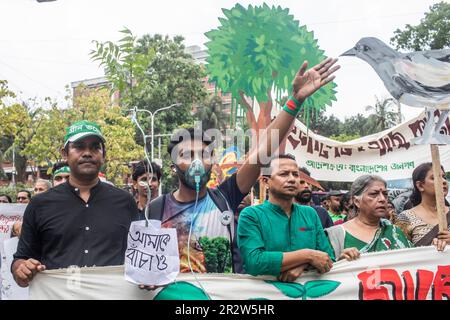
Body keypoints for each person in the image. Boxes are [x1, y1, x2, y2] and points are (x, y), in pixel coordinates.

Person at [146, 56, 340, 277]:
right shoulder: (155, 209)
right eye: (187, 155)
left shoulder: (224, 197)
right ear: (173, 167)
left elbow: (262, 153)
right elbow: (146, 264)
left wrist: (294, 101)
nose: (197, 161)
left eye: (204, 154)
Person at [12, 120, 140, 287]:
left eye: (95, 147)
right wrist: (21, 269)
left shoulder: (125, 202)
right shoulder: (39, 204)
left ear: (104, 155)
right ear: (65, 154)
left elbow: (139, 256)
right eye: (79, 147)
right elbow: (20, 259)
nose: (87, 153)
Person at [238, 154, 334, 282]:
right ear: (266, 182)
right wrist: (307, 255)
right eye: (284, 174)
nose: (292, 179)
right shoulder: (251, 215)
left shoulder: (310, 213)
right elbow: (254, 262)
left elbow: (327, 258)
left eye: (295, 174)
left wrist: (303, 265)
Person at [325, 175, 413, 262]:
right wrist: (339, 262)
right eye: (374, 194)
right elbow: (324, 270)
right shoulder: (336, 235)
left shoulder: (394, 231)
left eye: (385, 194)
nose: (382, 199)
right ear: (356, 201)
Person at [396, 163, 450, 248]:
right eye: (435, 177)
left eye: (444, 177)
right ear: (420, 185)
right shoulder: (405, 218)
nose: (443, 181)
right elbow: (400, 254)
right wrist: (429, 249)